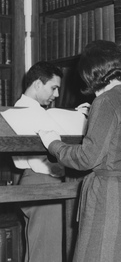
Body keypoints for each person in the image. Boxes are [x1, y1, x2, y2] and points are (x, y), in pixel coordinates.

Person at [38, 40, 121, 262]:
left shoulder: (106, 100)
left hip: (111, 199)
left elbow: (86, 158)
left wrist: (53, 144)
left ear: (94, 72)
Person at [11, 61, 65, 262]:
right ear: (37, 84)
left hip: (37, 181)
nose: (56, 95)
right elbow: (39, 161)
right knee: (46, 253)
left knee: (43, 248)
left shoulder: (31, 111)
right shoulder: (26, 112)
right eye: (53, 87)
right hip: (42, 181)